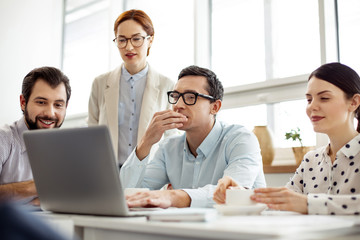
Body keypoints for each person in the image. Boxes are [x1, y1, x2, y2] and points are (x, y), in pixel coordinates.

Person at [213, 62, 360, 215]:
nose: (312, 107)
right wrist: (239, 193)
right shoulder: (312, 160)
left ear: (354, 102)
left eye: (324, 98)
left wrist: (307, 203)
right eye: (309, 100)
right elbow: (281, 202)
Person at [120, 65, 266, 208]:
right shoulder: (168, 147)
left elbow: (231, 194)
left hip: (244, 228)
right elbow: (128, 193)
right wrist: (146, 142)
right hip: (193, 230)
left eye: (191, 97)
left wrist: (173, 197)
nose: (178, 105)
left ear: (214, 107)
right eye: (175, 96)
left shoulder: (241, 139)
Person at [88, 9, 174, 165]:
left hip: (149, 172)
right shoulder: (100, 83)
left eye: (136, 39)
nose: (129, 47)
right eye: (122, 40)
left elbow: (171, 138)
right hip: (108, 170)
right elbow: (91, 133)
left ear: (150, 39)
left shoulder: (167, 85)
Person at [0, 66, 71, 205]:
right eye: (41, 102)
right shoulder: (4, 140)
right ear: (23, 102)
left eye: (58, 105)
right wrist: (38, 187)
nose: (50, 113)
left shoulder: (67, 149)